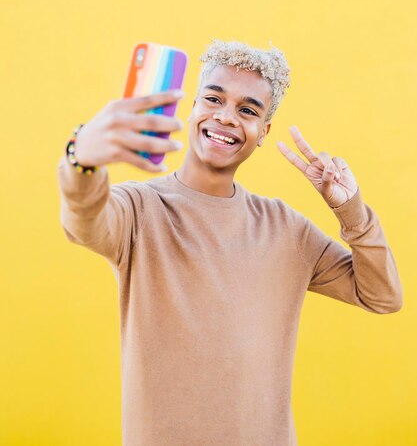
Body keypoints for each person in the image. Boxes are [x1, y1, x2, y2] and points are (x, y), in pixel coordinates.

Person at [57, 39, 403, 446]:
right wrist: (81, 160)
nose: (225, 117)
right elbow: (84, 222)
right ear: (193, 108)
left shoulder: (285, 229)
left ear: (263, 132)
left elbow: (382, 295)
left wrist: (352, 212)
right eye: (213, 98)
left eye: (247, 110)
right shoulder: (139, 209)